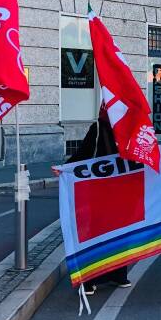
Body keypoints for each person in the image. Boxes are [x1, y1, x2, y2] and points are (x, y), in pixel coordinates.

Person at [64, 108, 131, 296]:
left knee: (98, 233)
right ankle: (116, 275)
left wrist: (67, 166)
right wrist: (65, 168)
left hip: (104, 190)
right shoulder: (123, 127)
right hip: (118, 191)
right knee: (117, 231)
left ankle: (94, 279)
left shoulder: (102, 128)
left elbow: (84, 153)